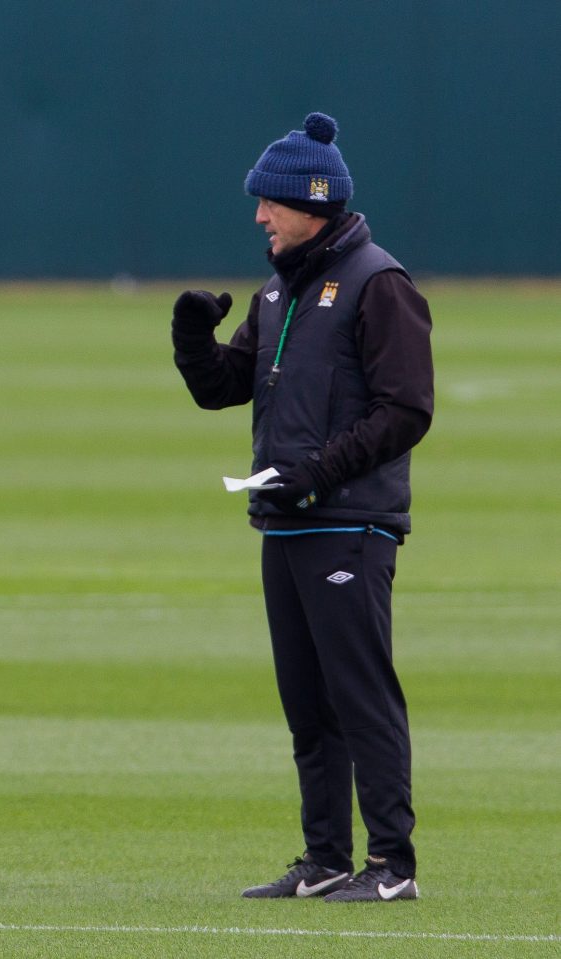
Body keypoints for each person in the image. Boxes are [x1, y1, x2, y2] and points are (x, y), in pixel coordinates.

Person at [171, 113, 433, 902]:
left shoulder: (376, 282)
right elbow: (224, 385)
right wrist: (191, 339)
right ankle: (323, 860)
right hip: (286, 521)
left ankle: (391, 867)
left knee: (360, 696)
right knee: (307, 704)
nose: (258, 216)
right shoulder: (277, 285)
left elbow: (405, 409)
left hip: (348, 524)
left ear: (309, 203)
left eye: (269, 203)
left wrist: (317, 473)